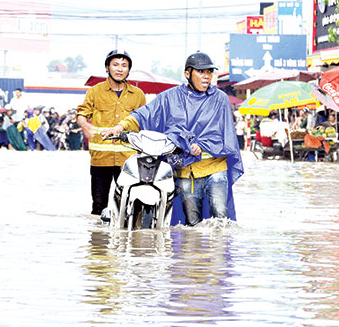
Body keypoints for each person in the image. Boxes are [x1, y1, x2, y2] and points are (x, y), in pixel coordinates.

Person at [101, 51, 244, 226]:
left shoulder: (220, 98)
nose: (206, 76)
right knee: (191, 225)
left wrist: (203, 145)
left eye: (209, 72)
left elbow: (224, 133)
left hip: (215, 169)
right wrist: (120, 127)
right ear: (187, 74)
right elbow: (145, 113)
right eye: (201, 72)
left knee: (221, 221)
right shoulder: (171, 97)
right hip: (186, 171)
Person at [76, 49, 146, 216]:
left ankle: (125, 241)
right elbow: (81, 114)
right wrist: (85, 125)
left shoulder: (138, 95)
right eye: (115, 64)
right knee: (98, 207)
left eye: (124, 65)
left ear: (129, 69)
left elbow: (145, 122)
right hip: (101, 159)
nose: (119, 69)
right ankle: (99, 241)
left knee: (130, 207)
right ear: (107, 67)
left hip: (128, 160)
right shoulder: (95, 91)